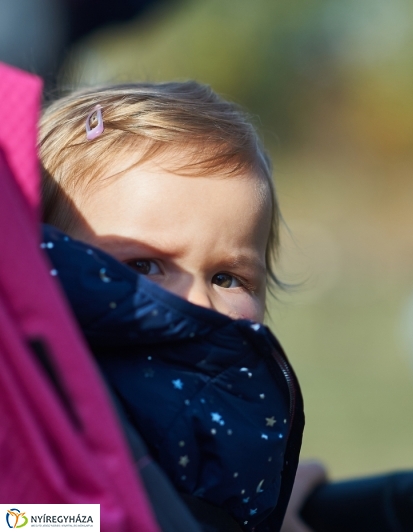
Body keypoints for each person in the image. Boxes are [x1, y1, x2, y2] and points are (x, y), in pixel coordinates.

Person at [37, 81, 325, 532]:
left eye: (226, 278)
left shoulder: (238, 423)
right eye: (146, 266)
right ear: (47, 261)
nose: (197, 302)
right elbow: (21, 519)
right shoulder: (33, 409)